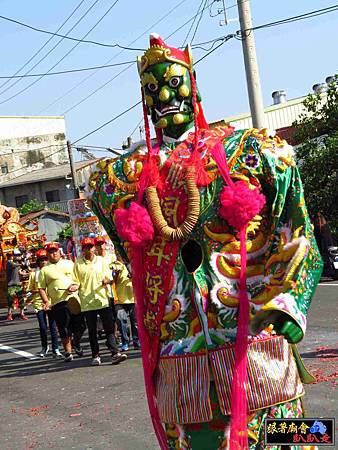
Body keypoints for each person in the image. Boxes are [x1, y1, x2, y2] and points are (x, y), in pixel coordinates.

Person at [87, 34, 323, 449]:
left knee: (296, 439)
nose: (164, 96)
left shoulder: (251, 150)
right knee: (197, 441)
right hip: (181, 356)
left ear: (194, 85)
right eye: (152, 88)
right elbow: (132, 257)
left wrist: (288, 305)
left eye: (174, 83)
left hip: (257, 341)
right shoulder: (118, 181)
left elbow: (297, 231)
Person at [72, 237, 127, 366]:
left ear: (94, 248)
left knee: (109, 328)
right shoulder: (78, 264)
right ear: (82, 249)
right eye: (86, 247)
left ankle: (115, 353)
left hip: (102, 299)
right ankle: (95, 355)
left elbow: (109, 278)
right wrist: (73, 287)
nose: (89, 249)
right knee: (92, 331)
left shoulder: (102, 261)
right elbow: (76, 281)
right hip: (87, 302)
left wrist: (107, 281)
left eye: (90, 247)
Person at [38, 242, 85, 362]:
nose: (53, 254)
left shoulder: (69, 263)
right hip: (58, 303)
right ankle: (68, 352)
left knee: (81, 326)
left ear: (60, 252)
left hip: (74, 299)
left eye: (55, 251)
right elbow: (41, 288)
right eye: (51, 252)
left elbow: (79, 279)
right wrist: (46, 301)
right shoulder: (45, 270)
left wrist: (75, 286)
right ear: (48, 254)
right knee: (64, 328)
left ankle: (76, 342)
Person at [27, 249, 62, 358]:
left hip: (51, 302)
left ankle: (55, 348)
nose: (43, 262)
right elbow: (30, 289)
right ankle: (44, 346)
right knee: (43, 327)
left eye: (45, 259)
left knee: (53, 326)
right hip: (39, 303)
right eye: (41, 260)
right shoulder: (34, 274)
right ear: (38, 261)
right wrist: (39, 290)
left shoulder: (52, 271)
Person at [112, 258, 140, 351]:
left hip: (134, 298)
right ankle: (125, 342)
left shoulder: (135, 263)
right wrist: (116, 274)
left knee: (135, 322)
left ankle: (136, 341)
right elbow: (111, 281)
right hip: (120, 299)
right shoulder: (114, 264)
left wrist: (134, 276)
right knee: (121, 320)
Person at [6, 251, 27, 321]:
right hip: (11, 285)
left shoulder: (17, 263)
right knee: (10, 299)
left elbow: (20, 272)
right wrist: (22, 263)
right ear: (13, 256)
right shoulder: (9, 262)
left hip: (18, 284)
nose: (18, 256)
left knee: (21, 299)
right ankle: (9, 314)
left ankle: (22, 314)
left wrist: (26, 273)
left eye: (19, 255)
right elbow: (14, 265)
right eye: (17, 255)